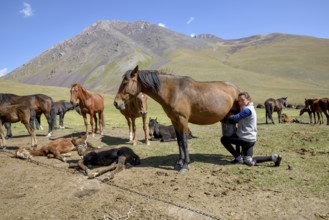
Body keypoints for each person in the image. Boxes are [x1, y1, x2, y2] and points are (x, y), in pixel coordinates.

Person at [220, 92, 282, 166]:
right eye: (239, 101)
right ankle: (274, 158)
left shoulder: (247, 110)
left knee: (223, 139)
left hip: (245, 139)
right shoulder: (251, 108)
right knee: (249, 161)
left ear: (248, 99)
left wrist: (228, 114)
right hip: (251, 140)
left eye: (242, 100)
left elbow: (234, 119)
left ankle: (238, 157)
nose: (240, 103)